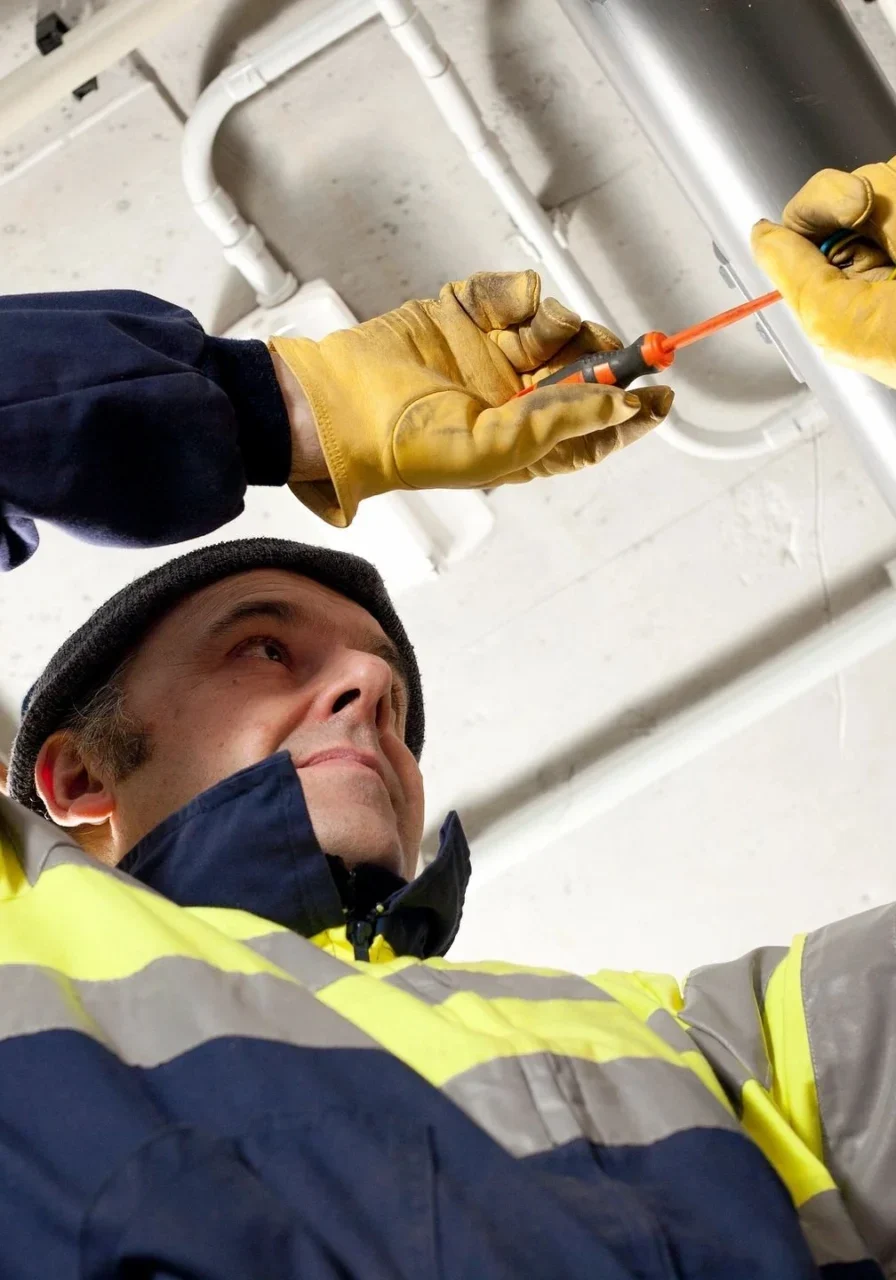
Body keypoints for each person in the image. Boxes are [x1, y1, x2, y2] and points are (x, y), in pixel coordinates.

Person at [0, 252, 889, 1280]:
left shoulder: (679, 1044)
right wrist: (269, 401)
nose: (371, 695)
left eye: (393, 694)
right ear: (77, 780)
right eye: (264, 649)